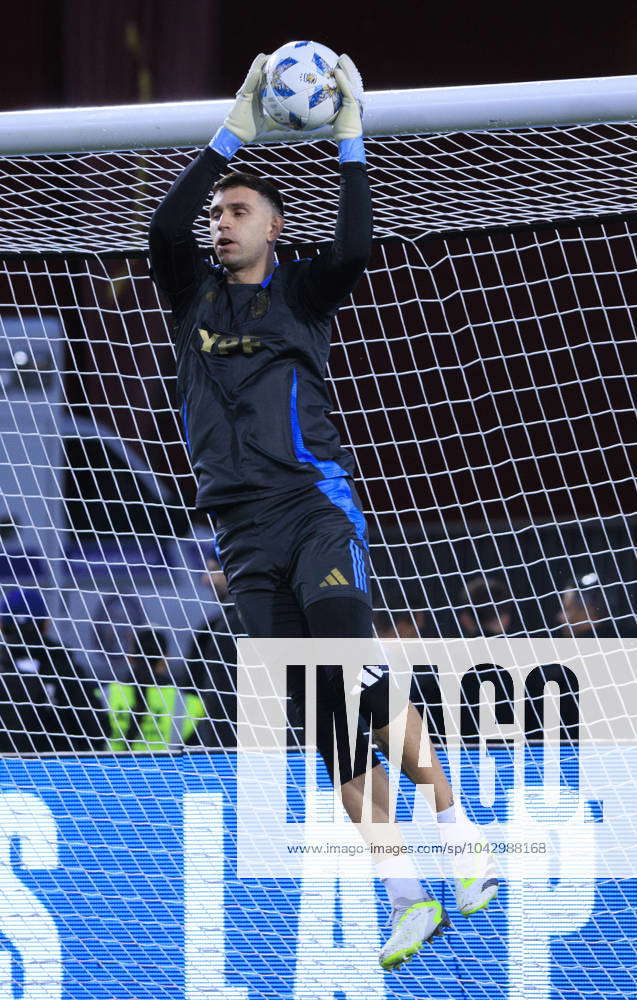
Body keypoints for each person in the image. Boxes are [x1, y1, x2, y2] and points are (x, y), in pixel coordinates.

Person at [149, 53, 496, 970]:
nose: (219, 223)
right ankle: (404, 895)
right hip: (240, 532)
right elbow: (159, 225)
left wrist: (349, 138)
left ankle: (461, 842)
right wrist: (231, 129)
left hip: (311, 509)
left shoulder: (302, 294)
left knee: (349, 676)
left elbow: (352, 248)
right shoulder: (192, 299)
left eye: (238, 211)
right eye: (216, 212)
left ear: (273, 226)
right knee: (326, 724)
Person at [0, 588, 105, 753]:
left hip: (6, 775)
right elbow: (97, 730)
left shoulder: (63, 666)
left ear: (1, 627)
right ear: (46, 624)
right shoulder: (65, 669)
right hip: (59, 774)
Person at [106, 628, 205, 752]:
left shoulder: (103, 696)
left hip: (112, 770)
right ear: (165, 658)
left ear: (130, 658)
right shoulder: (191, 705)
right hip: (166, 770)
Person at [185, 553, 242, 748]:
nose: (206, 580)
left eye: (213, 571)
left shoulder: (214, 630)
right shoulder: (211, 629)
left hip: (227, 747)